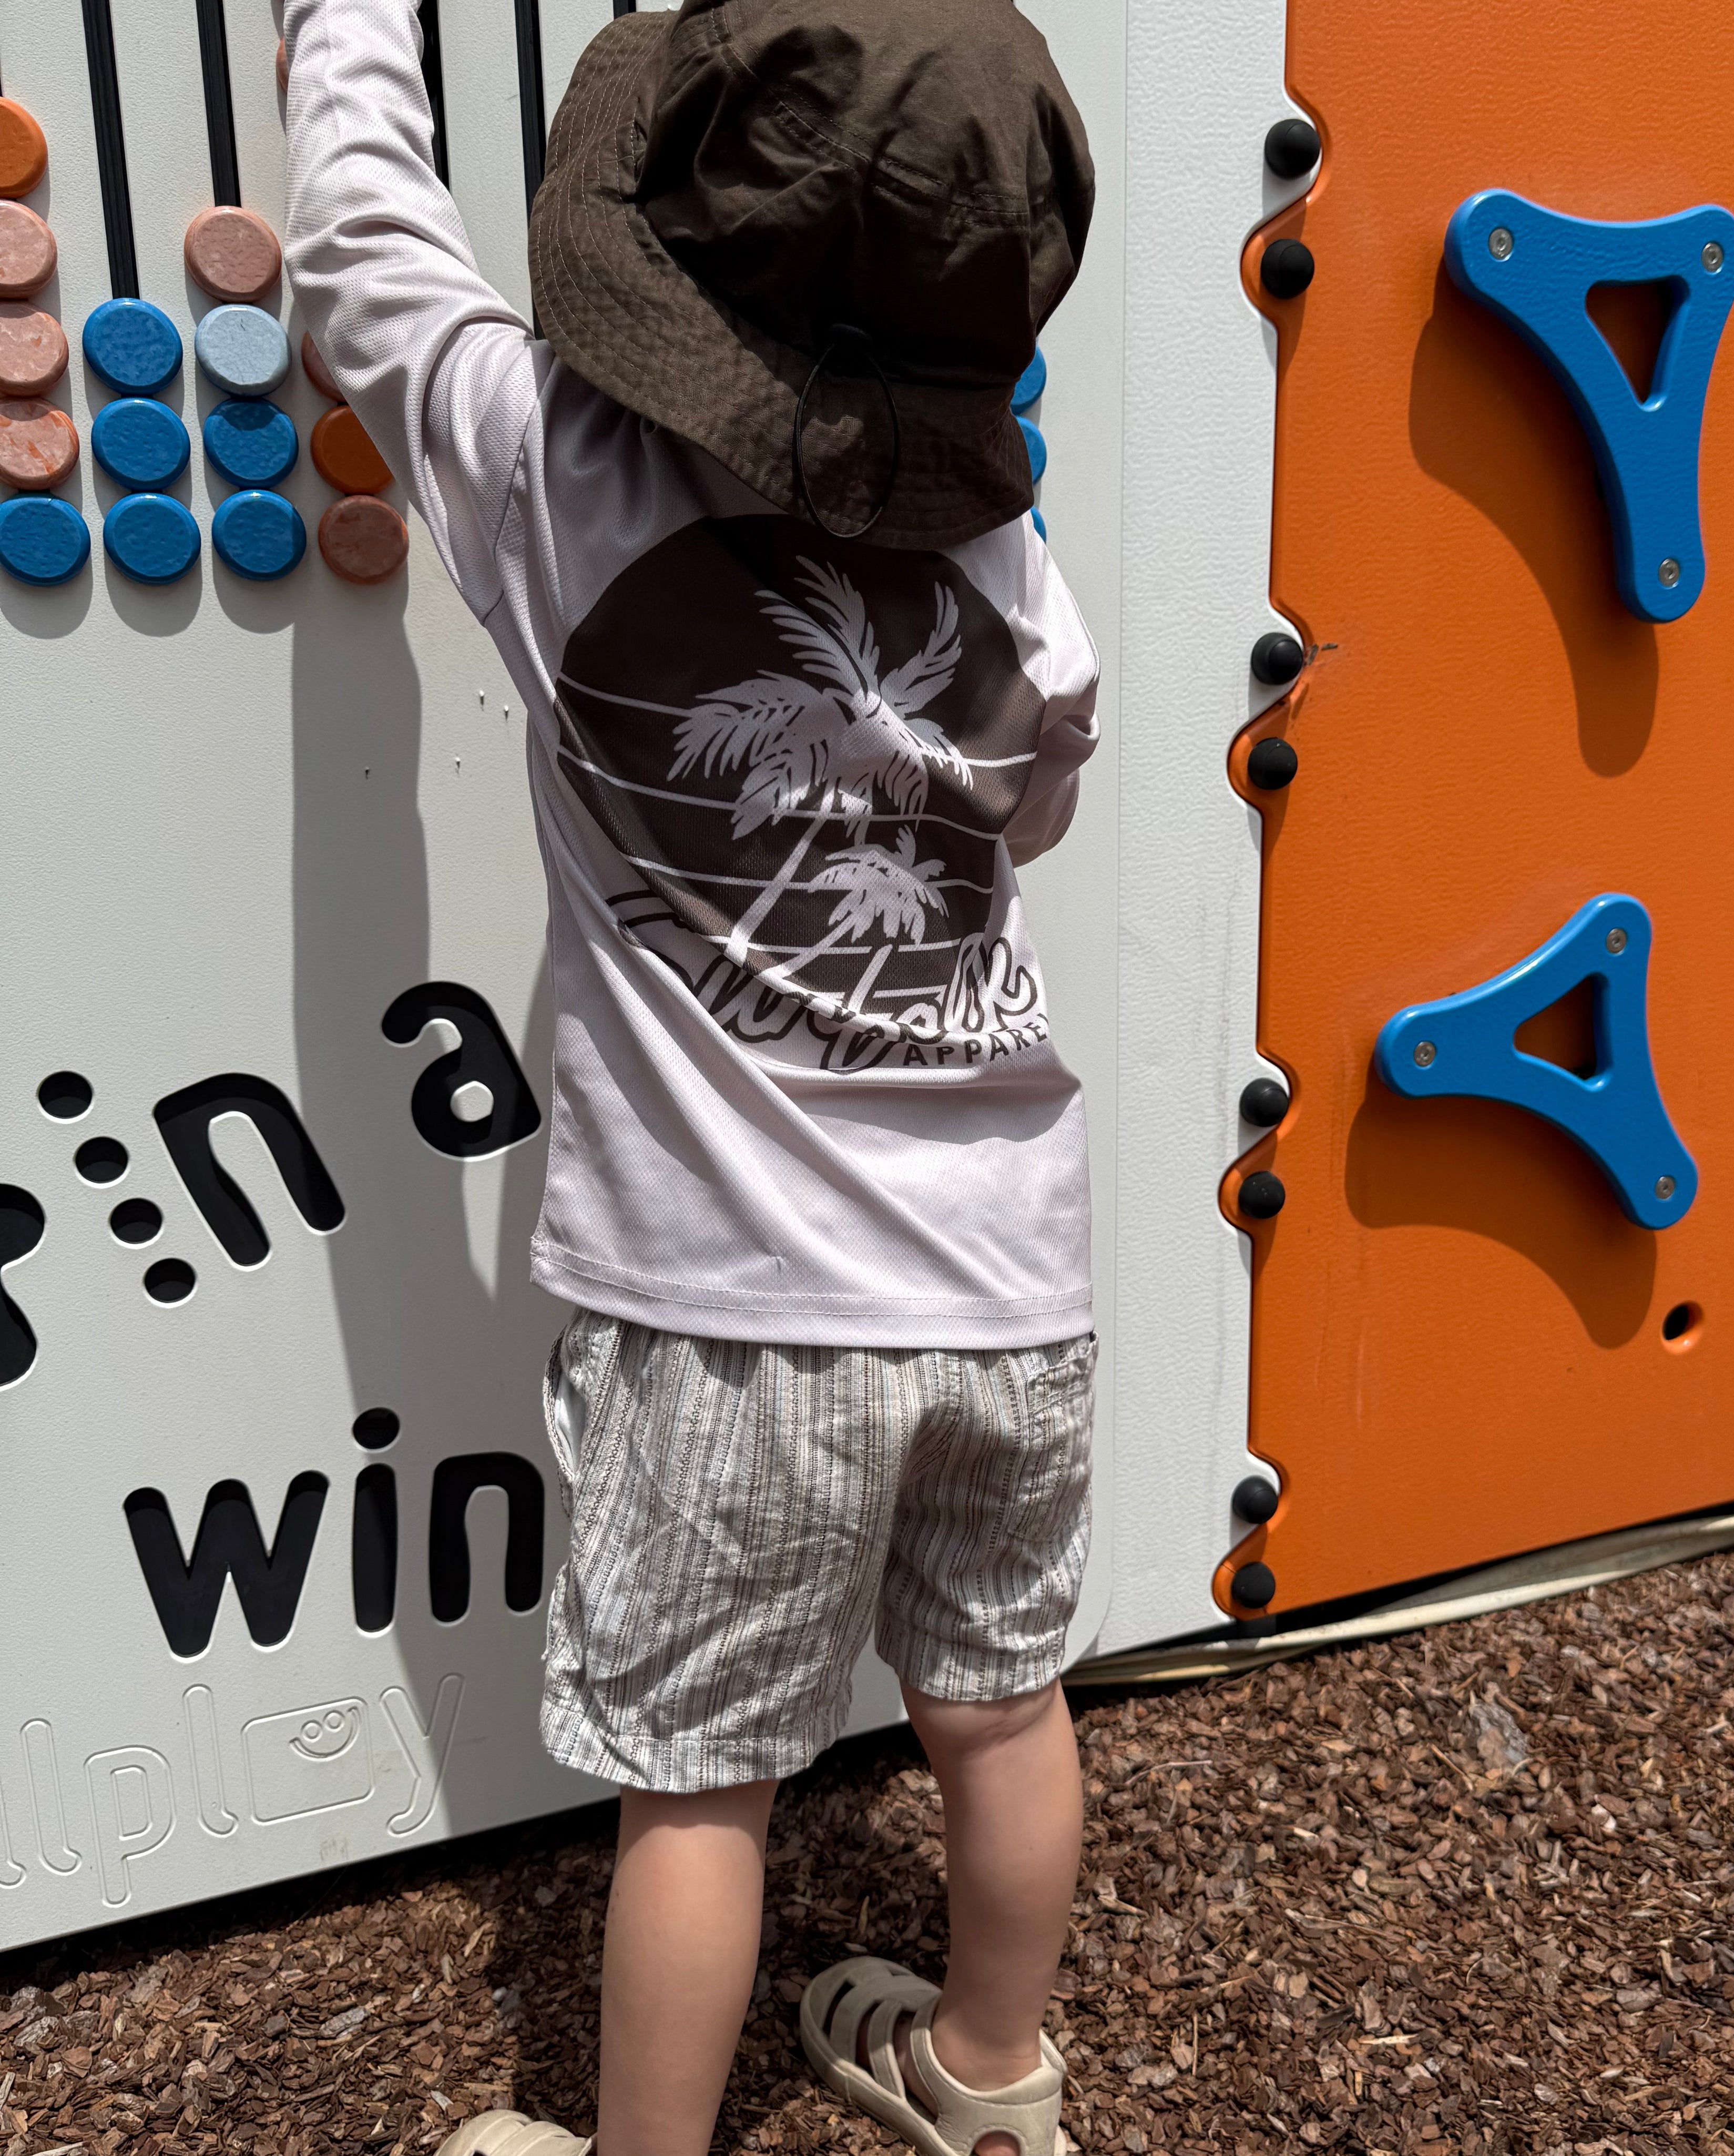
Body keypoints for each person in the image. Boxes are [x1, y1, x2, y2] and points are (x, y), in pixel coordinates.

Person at [280, 4, 1100, 2154]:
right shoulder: (1013, 571)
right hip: (1014, 1284)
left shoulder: (552, 467)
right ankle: (994, 2074)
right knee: (1000, 1705)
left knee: (699, 1784)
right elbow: (1029, 815)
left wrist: (342, 22)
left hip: (736, 1311)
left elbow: (362, 245)